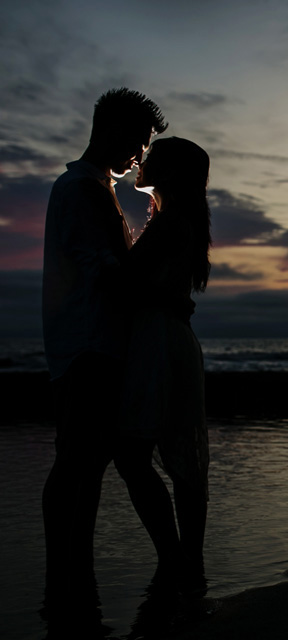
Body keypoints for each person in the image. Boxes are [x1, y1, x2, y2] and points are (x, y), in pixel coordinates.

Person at [41, 88, 166, 612]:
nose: (139, 157)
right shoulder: (82, 190)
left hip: (93, 345)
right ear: (110, 132)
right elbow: (107, 270)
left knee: (85, 465)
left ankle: (74, 573)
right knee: (76, 464)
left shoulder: (93, 189)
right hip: (89, 347)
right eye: (137, 143)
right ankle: (64, 577)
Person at [113, 137, 212, 592]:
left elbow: (127, 282)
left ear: (168, 172)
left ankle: (179, 558)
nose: (141, 161)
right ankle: (187, 560)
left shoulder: (172, 222)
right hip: (169, 337)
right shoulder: (174, 219)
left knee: (136, 454)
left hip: (159, 340)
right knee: (177, 457)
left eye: (151, 158)